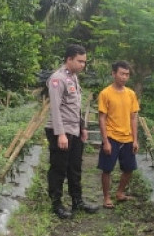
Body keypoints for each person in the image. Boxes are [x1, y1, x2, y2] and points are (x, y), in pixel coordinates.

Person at [45, 44, 99, 219]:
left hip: (74, 130)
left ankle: (77, 201)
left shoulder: (73, 78)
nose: (83, 65)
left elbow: (76, 106)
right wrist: (60, 134)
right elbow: (55, 108)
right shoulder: (57, 79)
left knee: (75, 167)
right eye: (80, 61)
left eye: (84, 61)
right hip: (61, 131)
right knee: (59, 168)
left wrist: (82, 127)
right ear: (69, 59)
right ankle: (56, 203)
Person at [97, 60, 140, 209]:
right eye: (122, 74)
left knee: (129, 169)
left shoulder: (131, 94)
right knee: (107, 169)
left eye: (127, 74)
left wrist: (135, 140)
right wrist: (106, 141)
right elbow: (102, 118)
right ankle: (106, 197)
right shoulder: (105, 93)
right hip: (111, 137)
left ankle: (120, 193)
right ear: (113, 74)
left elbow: (133, 117)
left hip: (127, 138)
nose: (124, 77)